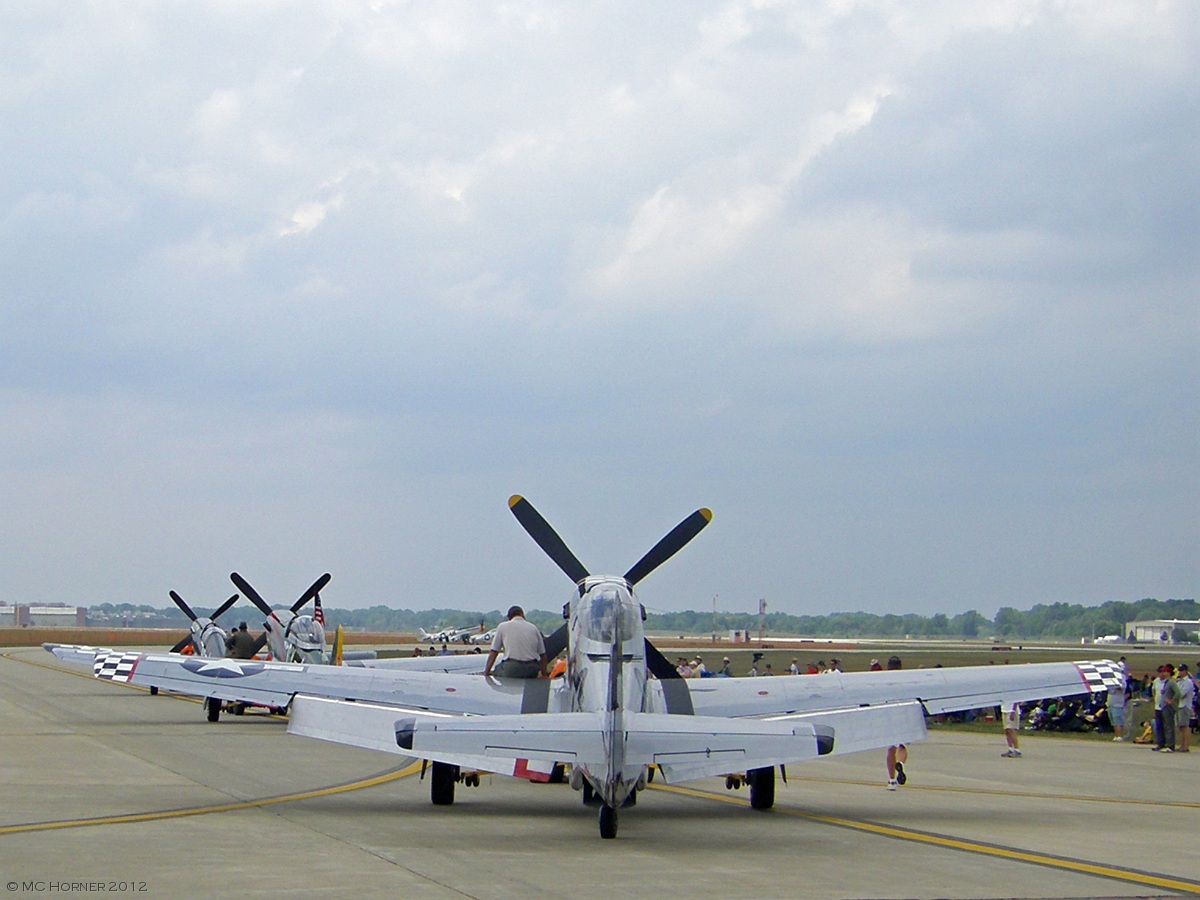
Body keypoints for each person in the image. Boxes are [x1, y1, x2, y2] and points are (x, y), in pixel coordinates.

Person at [484, 606, 547, 678]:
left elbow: (494, 651)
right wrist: (544, 674)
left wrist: (486, 672)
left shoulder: (502, 626)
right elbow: (543, 655)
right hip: (532, 669)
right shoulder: (533, 628)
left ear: (509, 617)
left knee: (497, 670)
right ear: (522, 615)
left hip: (512, 668)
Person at [885, 655, 908, 788]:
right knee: (902, 746)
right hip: (902, 715)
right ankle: (901, 763)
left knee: (890, 750)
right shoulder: (904, 679)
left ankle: (892, 780)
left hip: (889, 716)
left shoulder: (884, 680)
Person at [1152, 665, 1178, 752]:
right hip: (1158, 706)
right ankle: (1161, 743)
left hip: (1166, 706)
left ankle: (1170, 745)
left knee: (1168, 726)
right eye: (1161, 672)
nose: (1162, 674)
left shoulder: (1170, 682)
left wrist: (1171, 701)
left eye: (1164, 672)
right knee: (1159, 726)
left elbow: (1178, 693)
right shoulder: (1156, 681)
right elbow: (1155, 692)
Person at [1176, 663, 1195, 752]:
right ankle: (1181, 744)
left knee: (1185, 726)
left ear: (1186, 671)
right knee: (1180, 727)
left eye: (1182, 670)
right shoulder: (1179, 681)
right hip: (1179, 705)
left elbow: (1181, 694)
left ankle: (1186, 745)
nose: (1180, 672)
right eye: (1179, 670)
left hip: (1185, 705)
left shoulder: (1188, 682)